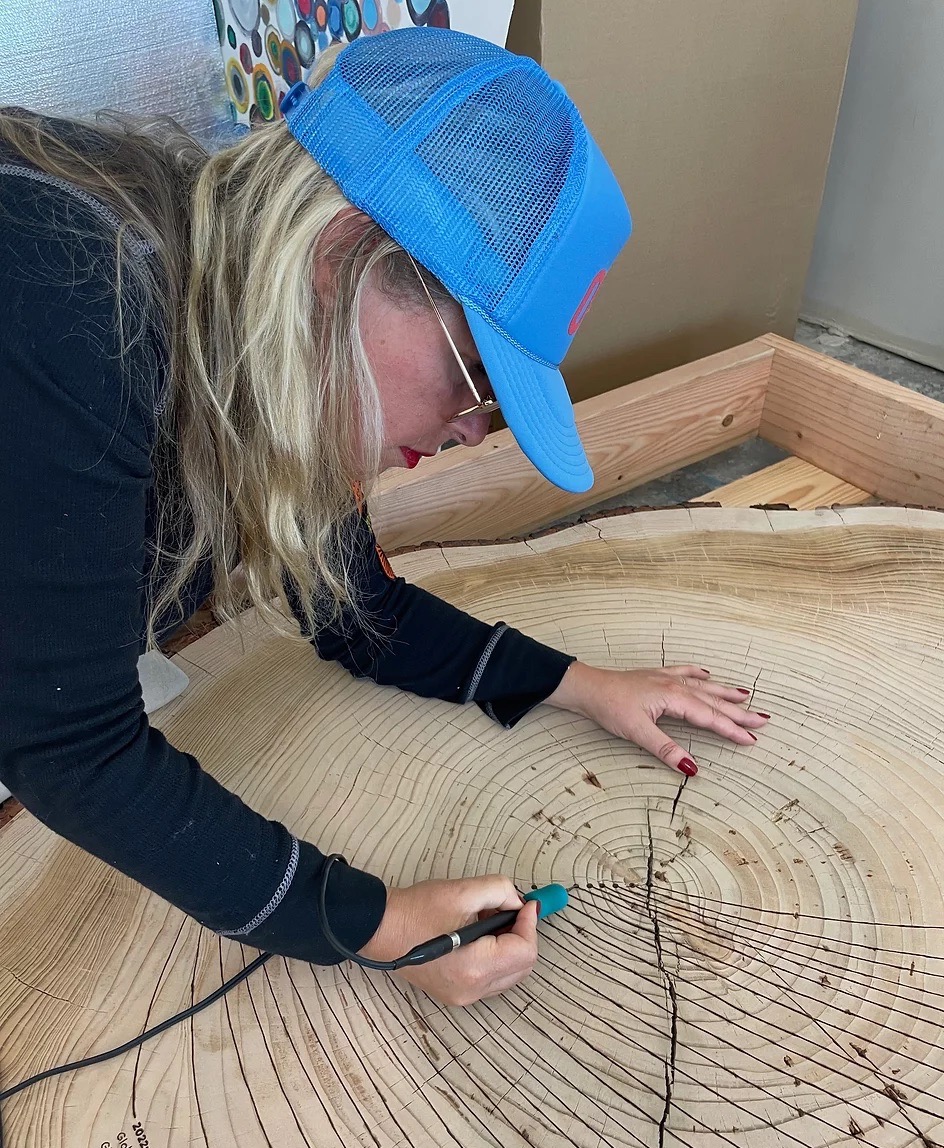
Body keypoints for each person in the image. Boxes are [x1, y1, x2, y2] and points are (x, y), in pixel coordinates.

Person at [0, 29, 767, 1008]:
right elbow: (70, 743)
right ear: (344, 253)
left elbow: (357, 606)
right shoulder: (66, 301)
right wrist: (377, 924)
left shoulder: (262, 335)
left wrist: (577, 684)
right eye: (472, 375)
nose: (469, 430)